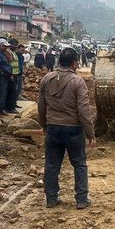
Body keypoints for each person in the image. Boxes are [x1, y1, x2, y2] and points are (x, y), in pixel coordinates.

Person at [38, 47, 96, 209]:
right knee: (79, 164)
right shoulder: (78, 82)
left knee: (51, 165)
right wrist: (90, 133)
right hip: (73, 130)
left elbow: (41, 105)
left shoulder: (47, 79)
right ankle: (82, 200)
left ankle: (51, 198)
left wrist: (43, 125)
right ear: (74, 63)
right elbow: (84, 111)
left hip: (53, 128)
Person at [5, 39, 20, 114]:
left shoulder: (13, 53)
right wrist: (10, 74)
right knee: (11, 92)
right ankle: (9, 108)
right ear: (10, 44)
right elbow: (8, 64)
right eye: (15, 45)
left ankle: (12, 106)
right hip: (11, 75)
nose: (16, 47)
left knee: (14, 92)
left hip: (15, 75)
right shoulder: (8, 52)